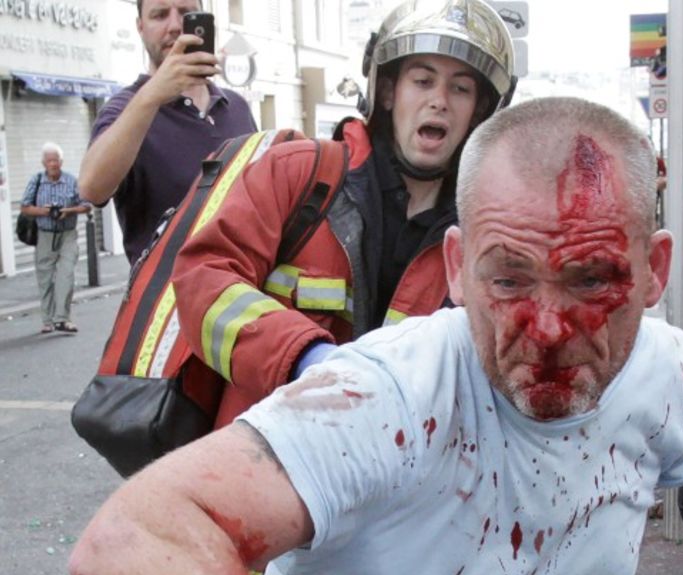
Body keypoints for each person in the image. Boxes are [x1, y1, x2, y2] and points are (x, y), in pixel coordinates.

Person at [68, 96, 683, 575]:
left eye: (591, 279)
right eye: (507, 278)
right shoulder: (388, 398)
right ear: (455, 266)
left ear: (656, 270)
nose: (545, 327)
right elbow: (136, 536)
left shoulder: (670, 373)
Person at [169, 0, 516, 429]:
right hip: (268, 458)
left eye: (461, 88)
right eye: (423, 81)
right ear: (388, 92)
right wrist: (302, 356)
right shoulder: (297, 173)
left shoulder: (483, 232)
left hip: (393, 477)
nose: (439, 101)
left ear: (480, 111)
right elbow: (202, 280)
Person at [80, 0, 256, 264]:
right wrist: (151, 96)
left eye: (186, 14)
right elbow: (92, 188)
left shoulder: (237, 106)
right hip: (169, 300)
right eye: (160, 15)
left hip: (244, 294)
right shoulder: (126, 108)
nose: (174, 26)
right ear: (140, 27)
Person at [19, 143, 92, 334]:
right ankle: (47, 320)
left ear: (61, 161)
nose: (53, 164)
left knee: (66, 275)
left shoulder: (71, 180)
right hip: (44, 235)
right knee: (45, 278)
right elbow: (25, 207)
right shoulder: (36, 181)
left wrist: (68, 211)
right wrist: (45, 211)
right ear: (44, 162)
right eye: (50, 160)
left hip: (67, 234)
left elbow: (86, 206)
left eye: (56, 160)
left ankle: (63, 318)